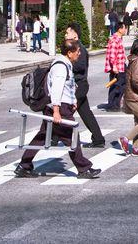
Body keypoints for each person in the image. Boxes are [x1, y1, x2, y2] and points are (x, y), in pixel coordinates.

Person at [14, 39, 101, 179]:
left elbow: (67, 87)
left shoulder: (65, 64)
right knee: (72, 137)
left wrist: (73, 101)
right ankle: (83, 168)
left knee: (42, 137)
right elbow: (56, 90)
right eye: (77, 51)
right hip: (59, 108)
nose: (79, 53)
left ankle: (24, 166)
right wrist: (56, 111)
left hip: (60, 106)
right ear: (69, 52)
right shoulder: (61, 67)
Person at [64, 23, 105, 148]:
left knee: (64, 111)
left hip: (79, 86)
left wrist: (67, 64)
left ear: (75, 35)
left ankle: (54, 137)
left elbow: (80, 66)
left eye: (67, 32)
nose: (65, 34)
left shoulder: (79, 49)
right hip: (77, 86)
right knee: (86, 113)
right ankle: (98, 139)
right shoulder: (74, 48)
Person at [104, 23, 127, 111]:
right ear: (120, 29)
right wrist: (114, 67)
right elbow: (112, 55)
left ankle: (116, 105)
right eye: (124, 28)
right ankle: (112, 105)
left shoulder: (119, 39)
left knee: (121, 86)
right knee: (116, 86)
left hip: (121, 65)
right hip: (117, 67)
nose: (125, 30)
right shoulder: (115, 39)